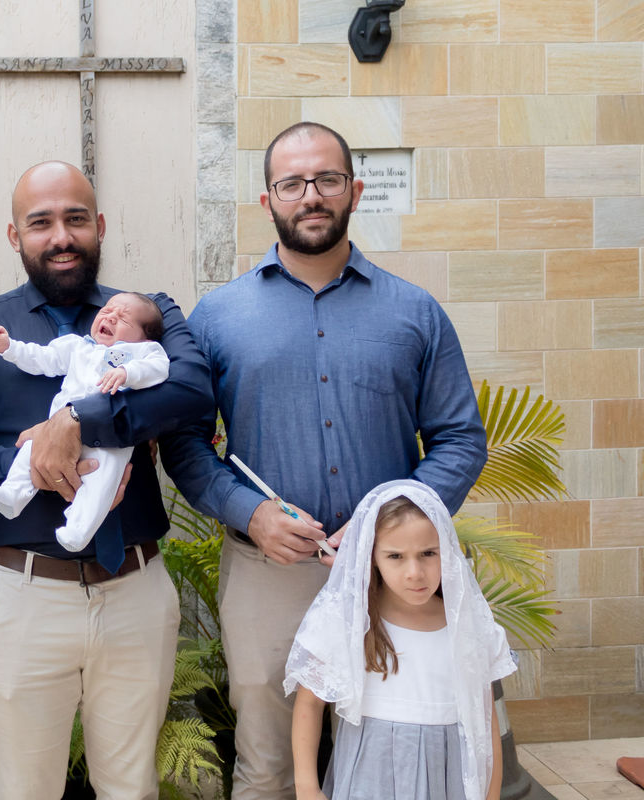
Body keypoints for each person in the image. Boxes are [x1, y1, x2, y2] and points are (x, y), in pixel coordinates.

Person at [162, 121, 488, 800]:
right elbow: (185, 444)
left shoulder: (416, 313)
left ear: (354, 190)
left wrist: (391, 529)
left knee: (393, 757)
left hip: (389, 578)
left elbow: (460, 440)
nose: (310, 195)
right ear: (268, 200)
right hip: (267, 573)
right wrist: (249, 513)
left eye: (326, 179)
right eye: (292, 182)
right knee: (270, 764)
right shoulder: (218, 317)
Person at [0, 161, 213, 798]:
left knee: (132, 788)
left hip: (135, 589)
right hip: (24, 596)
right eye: (41, 222)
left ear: (99, 226)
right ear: (15, 237)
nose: (61, 236)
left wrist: (79, 420)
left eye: (76, 218)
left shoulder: (148, 316)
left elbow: (190, 393)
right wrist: (30, 465)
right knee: (25, 790)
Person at [285, 479, 516, 800]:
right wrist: (307, 787)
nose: (414, 572)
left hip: (447, 777)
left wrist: (491, 794)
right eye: (395, 556)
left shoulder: (467, 625)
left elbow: (485, 715)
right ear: (372, 556)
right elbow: (309, 703)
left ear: (446, 550)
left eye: (427, 553)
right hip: (372, 775)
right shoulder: (350, 622)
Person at [0, 291, 170, 552]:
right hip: (57, 430)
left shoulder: (142, 351)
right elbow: (42, 358)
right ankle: (13, 494)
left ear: (143, 335)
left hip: (111, 436)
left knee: (103, 481)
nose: (111, 316)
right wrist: (10, 348)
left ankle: (79, 528)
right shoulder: (77, 346)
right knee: (31, 450)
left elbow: (159, 368)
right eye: (107, 310)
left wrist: (128, 372)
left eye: (124, 318)